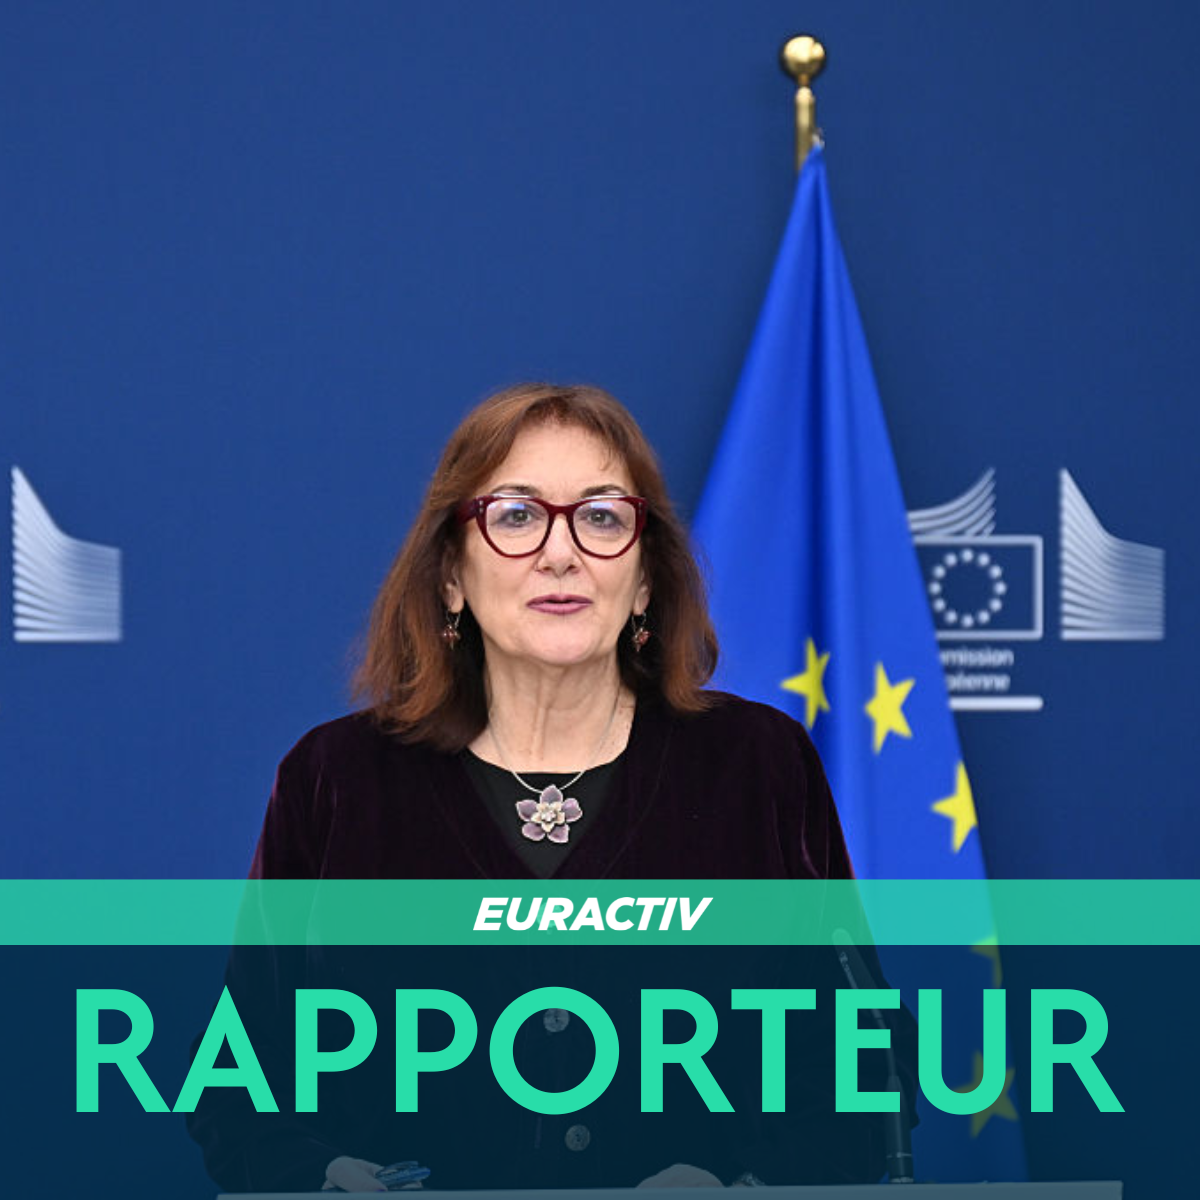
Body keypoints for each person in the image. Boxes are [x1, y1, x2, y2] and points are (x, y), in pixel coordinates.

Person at [187, 382, 912, 1193]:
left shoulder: (756, 765)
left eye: (601, 517)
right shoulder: (336, 779)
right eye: (516, 516)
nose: (560, 553)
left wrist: (736, 1185)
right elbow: (236, 1090)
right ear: (452, 576)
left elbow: (866, 1071)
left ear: (644, 580)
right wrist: (325, 1176)